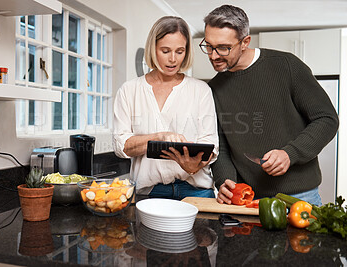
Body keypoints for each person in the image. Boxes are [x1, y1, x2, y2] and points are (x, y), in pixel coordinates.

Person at [201, 5, 339, 206]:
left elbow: (327, 119)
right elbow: (220, 144)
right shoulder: (213, 88)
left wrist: (290, 154)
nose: (213, 56)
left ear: (245, 42)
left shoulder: (286, 65)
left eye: (223, 48)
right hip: (248, 199)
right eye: (209, 46)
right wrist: (226, 182)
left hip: (300, 196)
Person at [113, 16, 219, 200]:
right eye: (165, 50)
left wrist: (195, 165)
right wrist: (159, 137)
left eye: (180, 51)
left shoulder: (201, 90)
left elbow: (212, 146)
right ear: (153, 49)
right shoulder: (130, 90)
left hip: (196, 190)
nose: (172, 59)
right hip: (151, 192)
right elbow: (121, 146)